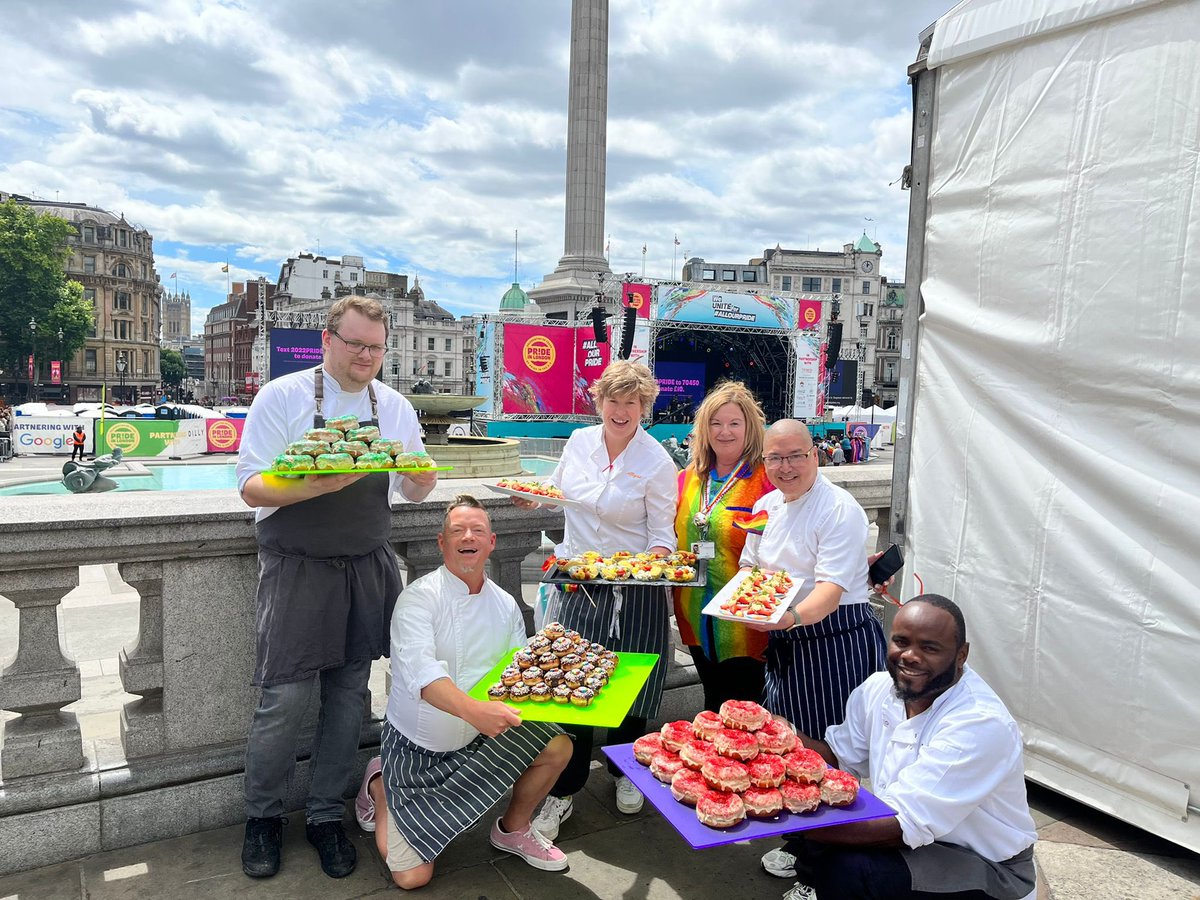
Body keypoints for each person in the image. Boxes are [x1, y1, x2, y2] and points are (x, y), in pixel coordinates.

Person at [234, 295, 439, 880]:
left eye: (376, 347)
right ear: (328, 340)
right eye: (355, 345)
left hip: (367, 564)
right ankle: (263, 817)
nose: (366, 357)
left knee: (351, 697)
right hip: (297, 566)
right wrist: (317, 485)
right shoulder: (282, 397)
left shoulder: (394, 406)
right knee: (285, 700)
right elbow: (251, 486)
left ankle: (326, 815)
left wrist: (423, 478)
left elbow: (414, 490)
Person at [355, 496, 572, 888]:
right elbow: (422, 675)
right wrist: (476, 712)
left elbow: (514, 673)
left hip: (478, 738)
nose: (467, 537)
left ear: (491, 543)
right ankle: (381, 785)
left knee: (559, 745)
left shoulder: (505, 604)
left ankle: (512, 828)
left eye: (477, 531)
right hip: (417, 751)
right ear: (442, 542)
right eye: (457, 531)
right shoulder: (418, 599)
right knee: (412, 877)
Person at [767, 595, 1038, 900]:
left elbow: (898, 826)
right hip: (921, 842)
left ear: (961, 655)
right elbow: (836, 760)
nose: (910, 656)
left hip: (988, 866)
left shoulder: (978, 723)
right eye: (901, 641)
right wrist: (785, 735)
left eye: (929, 648)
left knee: (849, 866)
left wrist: (768, 815)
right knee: (828, 811)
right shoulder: (878, 689)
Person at [513, 359, 677, 838]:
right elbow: (558, 492)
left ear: (644, 407)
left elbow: (663, 535)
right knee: (571, 686)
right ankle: (565, 789)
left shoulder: (657, 461)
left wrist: (643, 567)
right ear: (598, 400)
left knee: (633, 685)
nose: (621, 410)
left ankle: (628, 773)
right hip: (577, 579)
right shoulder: (579, 442)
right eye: (613, 400)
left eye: (632, 402)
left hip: (636, 587)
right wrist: (533, 497)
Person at [739, 419, 886, 741]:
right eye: (775, 458)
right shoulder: (766, 505)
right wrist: (743, 603)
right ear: (764, 461)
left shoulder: (837, 508)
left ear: (815, 456)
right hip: (785, 639)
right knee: (783, 740)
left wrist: (787, 619)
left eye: (796, 456)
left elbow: (831, 592)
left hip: (834, 641)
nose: (785, 467)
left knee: (829, 752)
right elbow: (749, 565)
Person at [672, 380, 774, 711]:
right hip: (695, 619)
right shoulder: (689, 478)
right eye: (715, 423)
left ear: (750, 428)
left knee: (743, 714)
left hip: (747, 626)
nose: (724, 432)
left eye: (734, 423)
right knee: (713, 703)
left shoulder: (767, 479)